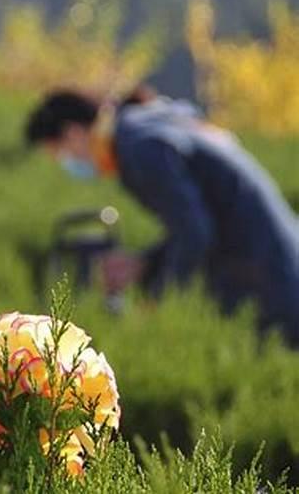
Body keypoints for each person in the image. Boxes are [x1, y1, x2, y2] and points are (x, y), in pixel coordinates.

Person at [25, 87, 299, 345]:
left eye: (60, 154)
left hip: (269, 282)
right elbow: (195, 225)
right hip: (280, 260)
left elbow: (195, 234)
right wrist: (143, 263)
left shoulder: (139, 148)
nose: (67, 163)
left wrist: (154, 305)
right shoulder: (147, 123)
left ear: (73, 133)